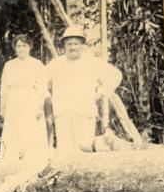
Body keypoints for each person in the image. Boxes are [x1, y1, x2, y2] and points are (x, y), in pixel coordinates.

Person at [46, 24, 124, 153]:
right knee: (65, 150)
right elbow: (40, 83)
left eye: (76, 44)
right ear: (64, 45)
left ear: (82, 45)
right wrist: (49, 98)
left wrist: (100, 93)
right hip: (63, 114)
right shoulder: (56, 64)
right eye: (69, 44)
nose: (73, 47)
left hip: (85, 112)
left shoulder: (92, 62)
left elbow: (115, 75)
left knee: (85, 147)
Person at [0, 33, 49, 162]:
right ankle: (10, 162)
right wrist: (2, 109)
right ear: (15, 48)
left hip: (30, 101)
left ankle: (33, 162)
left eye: (24, 45)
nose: (21, 48)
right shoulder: (9, 65)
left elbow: (42, 87)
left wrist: (39, 107)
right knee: (13, 132)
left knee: (31, 131)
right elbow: (4, 88)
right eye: (18, 46)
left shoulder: (37, 64)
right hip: (13, 102)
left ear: (30, 47)